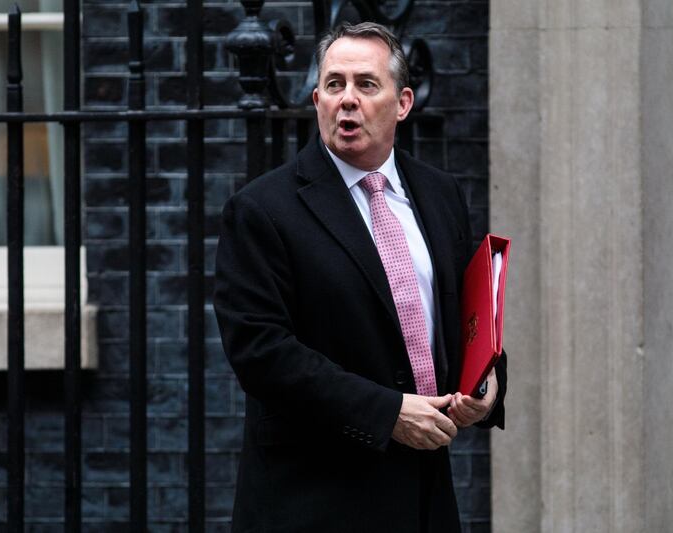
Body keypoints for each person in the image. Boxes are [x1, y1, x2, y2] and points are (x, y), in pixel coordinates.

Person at [213, 21, 507, 533]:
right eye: (334, 84)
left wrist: (487, 381)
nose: (347, 99)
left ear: (403, 103)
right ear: (317, 99)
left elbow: (465, 312)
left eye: (366, 84)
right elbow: (261, 352)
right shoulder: (262, 209)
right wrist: (387, 412)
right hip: (315, 499)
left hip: (425, 498)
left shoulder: (440, 194)